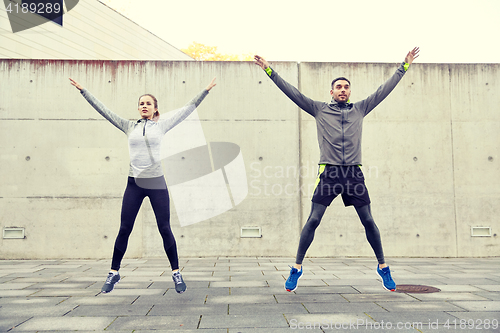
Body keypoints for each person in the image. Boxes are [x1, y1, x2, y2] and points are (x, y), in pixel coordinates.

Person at [254, 47, 419, 292]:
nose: (343, 90)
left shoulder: (360, 109)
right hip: (330, 173)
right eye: (338, 87)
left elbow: (383, 90)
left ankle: (383, 267)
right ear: (331, 92)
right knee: (313, 219)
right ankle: (297, 268)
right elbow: (292, 92)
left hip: (354, 173)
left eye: (346, 87)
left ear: (350, 91)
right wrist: (269, 70)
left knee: (369, 221)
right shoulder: (319, 109)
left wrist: (403, 67)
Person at [69, 77, 217, 294]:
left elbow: (187, 109)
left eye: (148, 103)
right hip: (134, 184)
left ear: (155, 108)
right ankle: (114, 272)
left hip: (156, 183)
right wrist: (84, 91)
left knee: (164, 228)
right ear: (138, 108)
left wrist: (205, 90)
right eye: (141, 103)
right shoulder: (128, 126)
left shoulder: (162, 126)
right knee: (124, 228)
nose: (144, 106)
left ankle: (176, 272)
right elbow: (104, 110)